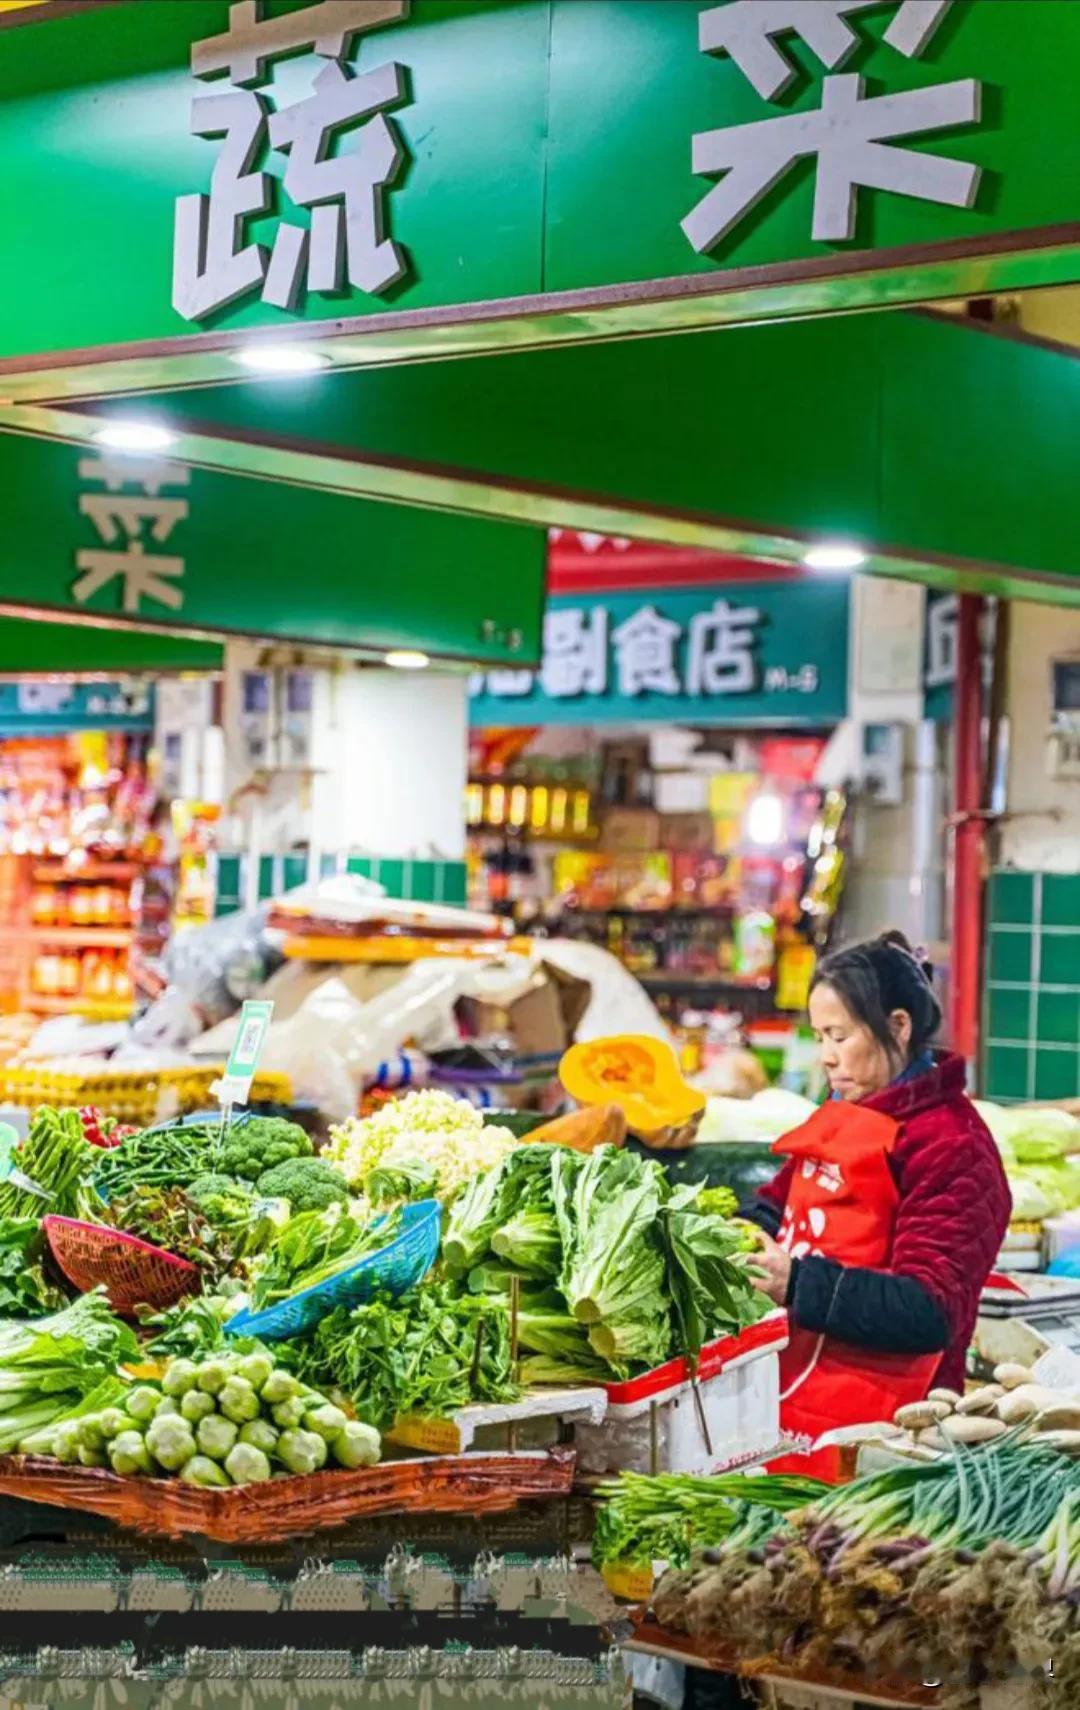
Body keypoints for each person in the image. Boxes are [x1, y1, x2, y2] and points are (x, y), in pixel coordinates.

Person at [742, 930, 1012, 1460]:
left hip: (894, 1430)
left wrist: (794, 1282)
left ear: (898, 1027)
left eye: (839, 1037)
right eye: (819, 1037)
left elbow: (930, 1309)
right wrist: (750, 1224)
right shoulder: (853, 1106)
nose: (825, 1056)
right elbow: (785, 1194)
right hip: (797, 1392)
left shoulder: (952, 1146)